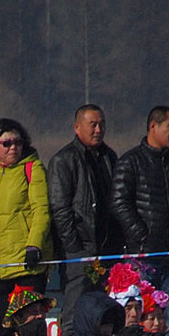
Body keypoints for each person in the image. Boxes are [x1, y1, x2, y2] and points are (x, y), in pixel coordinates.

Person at [110, 107, 169, 329]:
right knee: (141, 314)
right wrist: (141, 234)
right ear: (153, 127)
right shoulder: (130, 162)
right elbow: (118, 202)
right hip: (142, 256)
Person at [47, 105, 119, 322]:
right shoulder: (63, 160)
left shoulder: (110, 157)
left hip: (106, 250)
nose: (98, 130)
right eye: (93, 125)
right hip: (78, 251)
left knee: (105, 313)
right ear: (77, 127)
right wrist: (74, 247)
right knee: (75, 312)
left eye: (102, 124)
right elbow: (60, 209)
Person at [0, 120, 50, 287]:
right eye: (6, 143)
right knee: (6, 314)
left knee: (30, 313)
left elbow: (41, 211)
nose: (13, 148)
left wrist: (34, 246)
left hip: (26, 265)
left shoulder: (33, 168)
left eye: (17, 142)